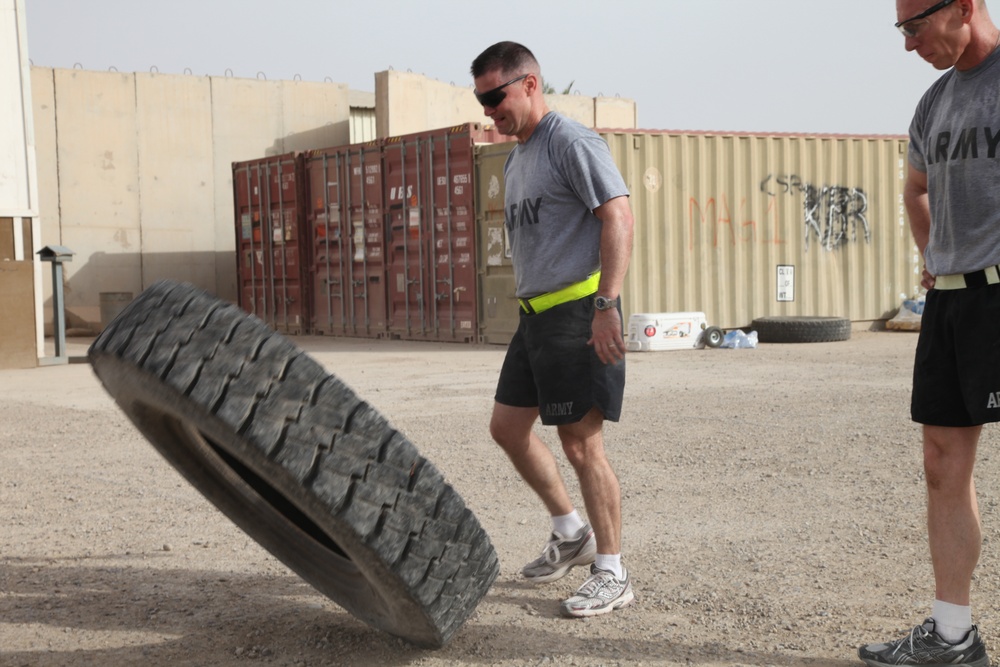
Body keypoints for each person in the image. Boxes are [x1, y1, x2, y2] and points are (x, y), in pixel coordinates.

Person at [470, 41, 635, 618]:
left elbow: (617, 214)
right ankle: (572, 531)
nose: (491, 110)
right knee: (507, 427)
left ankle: (612, 570)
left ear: (530, 84)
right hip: (535, 316)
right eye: (482, 100)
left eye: (497, 97)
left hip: (578, 311)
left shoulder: (571, 141)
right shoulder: (517, 157)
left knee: (581, 443)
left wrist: (606, 304)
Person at [858, 1, 1000, 665]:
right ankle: (952, 636)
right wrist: (933, 249)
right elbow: (916, 189)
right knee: (943, 464)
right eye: (902, 30)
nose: (908, 45)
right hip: (949, 301)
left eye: (914, 27)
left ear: (964, 7)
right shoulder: (932, 105)